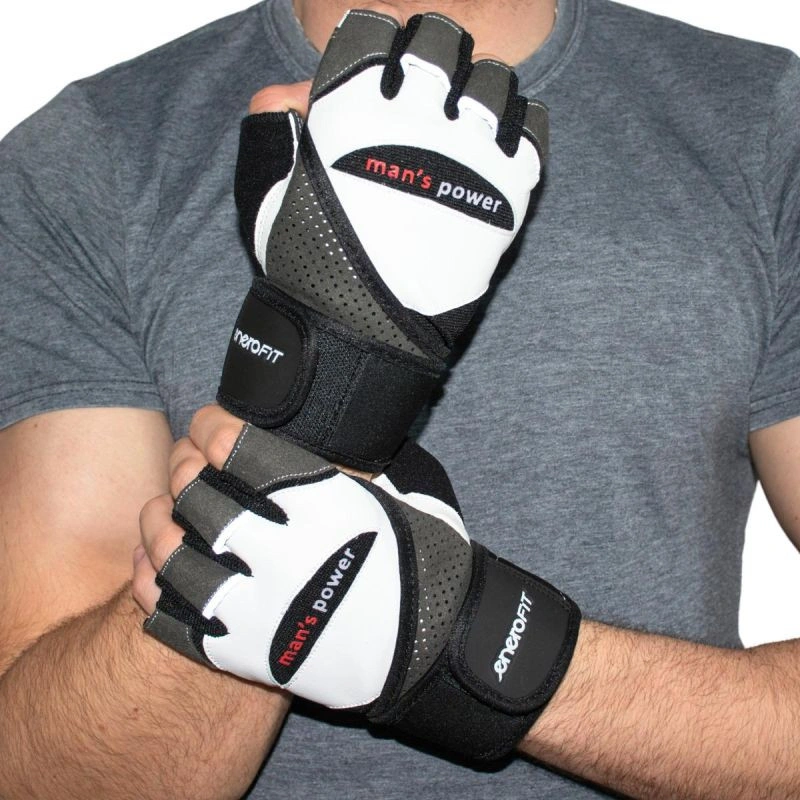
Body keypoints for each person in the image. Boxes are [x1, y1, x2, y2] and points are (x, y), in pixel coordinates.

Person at [1, 0, 798, 797]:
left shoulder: (764, 124)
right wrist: (329, 388)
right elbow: (50, 778)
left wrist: (457, 646)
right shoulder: (91, 158)